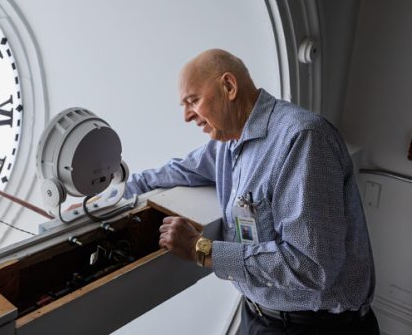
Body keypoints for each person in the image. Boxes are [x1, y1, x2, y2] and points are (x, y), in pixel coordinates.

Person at [126, 49, 378, 334]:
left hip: (316, 326)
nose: (186, 116)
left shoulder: (303, 138)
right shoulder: (227, 142)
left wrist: (201, 250)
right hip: (259, 313)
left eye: (192, 101)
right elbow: (178, 170)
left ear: (229, 87)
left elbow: (311, 267)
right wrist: (116, 194)